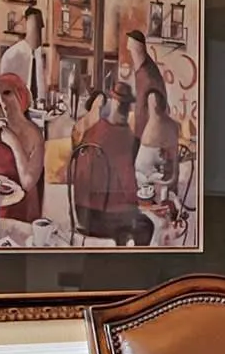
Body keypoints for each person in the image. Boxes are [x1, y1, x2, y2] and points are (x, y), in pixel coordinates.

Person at [69, 79, 150, 245]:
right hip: (104, 218)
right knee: (147, 225)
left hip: (82, 215)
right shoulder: (126, 138)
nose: (126, 110)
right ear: (114, 103)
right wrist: (142, 201)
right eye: (124, 105)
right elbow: (128, 183)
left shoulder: (93, 131)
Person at [0, 70, 47, 225]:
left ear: (21, 94)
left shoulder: (34, 134)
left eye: (7, 93)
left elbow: (27, 182)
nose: (3, 102)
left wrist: (13, 142)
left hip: (21, 210)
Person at [125, 28, 177, 198]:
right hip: (143, 130)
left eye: (131, 47)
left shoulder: (148, 75)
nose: (128, 49)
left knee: (143, 174)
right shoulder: (142, 69)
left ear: (137, 47)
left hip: (149, 135)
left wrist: (148, 140)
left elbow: (155, 109)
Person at [0, 4, 46, 107]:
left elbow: (41, 87)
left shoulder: (40, 56)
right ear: (28, 25)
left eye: (40, 28)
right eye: (36, 27)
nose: (39, 34)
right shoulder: (12, 55)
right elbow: (2, 89)